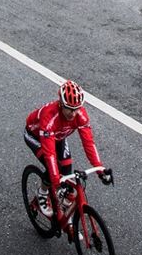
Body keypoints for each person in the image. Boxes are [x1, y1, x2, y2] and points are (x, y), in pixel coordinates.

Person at [24, 79, 112, 232]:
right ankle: (42, 194)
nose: (74, 113)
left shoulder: (80, 115)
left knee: (67, 170)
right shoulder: (49, 117)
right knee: (54, 168)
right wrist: (56, 179)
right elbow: (50, 153)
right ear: (61, 104)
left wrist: (100, 169)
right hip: (36, 135)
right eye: (70, 109)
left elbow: (89, 143)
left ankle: (62, 207)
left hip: (57, 136)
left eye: (77, 108)